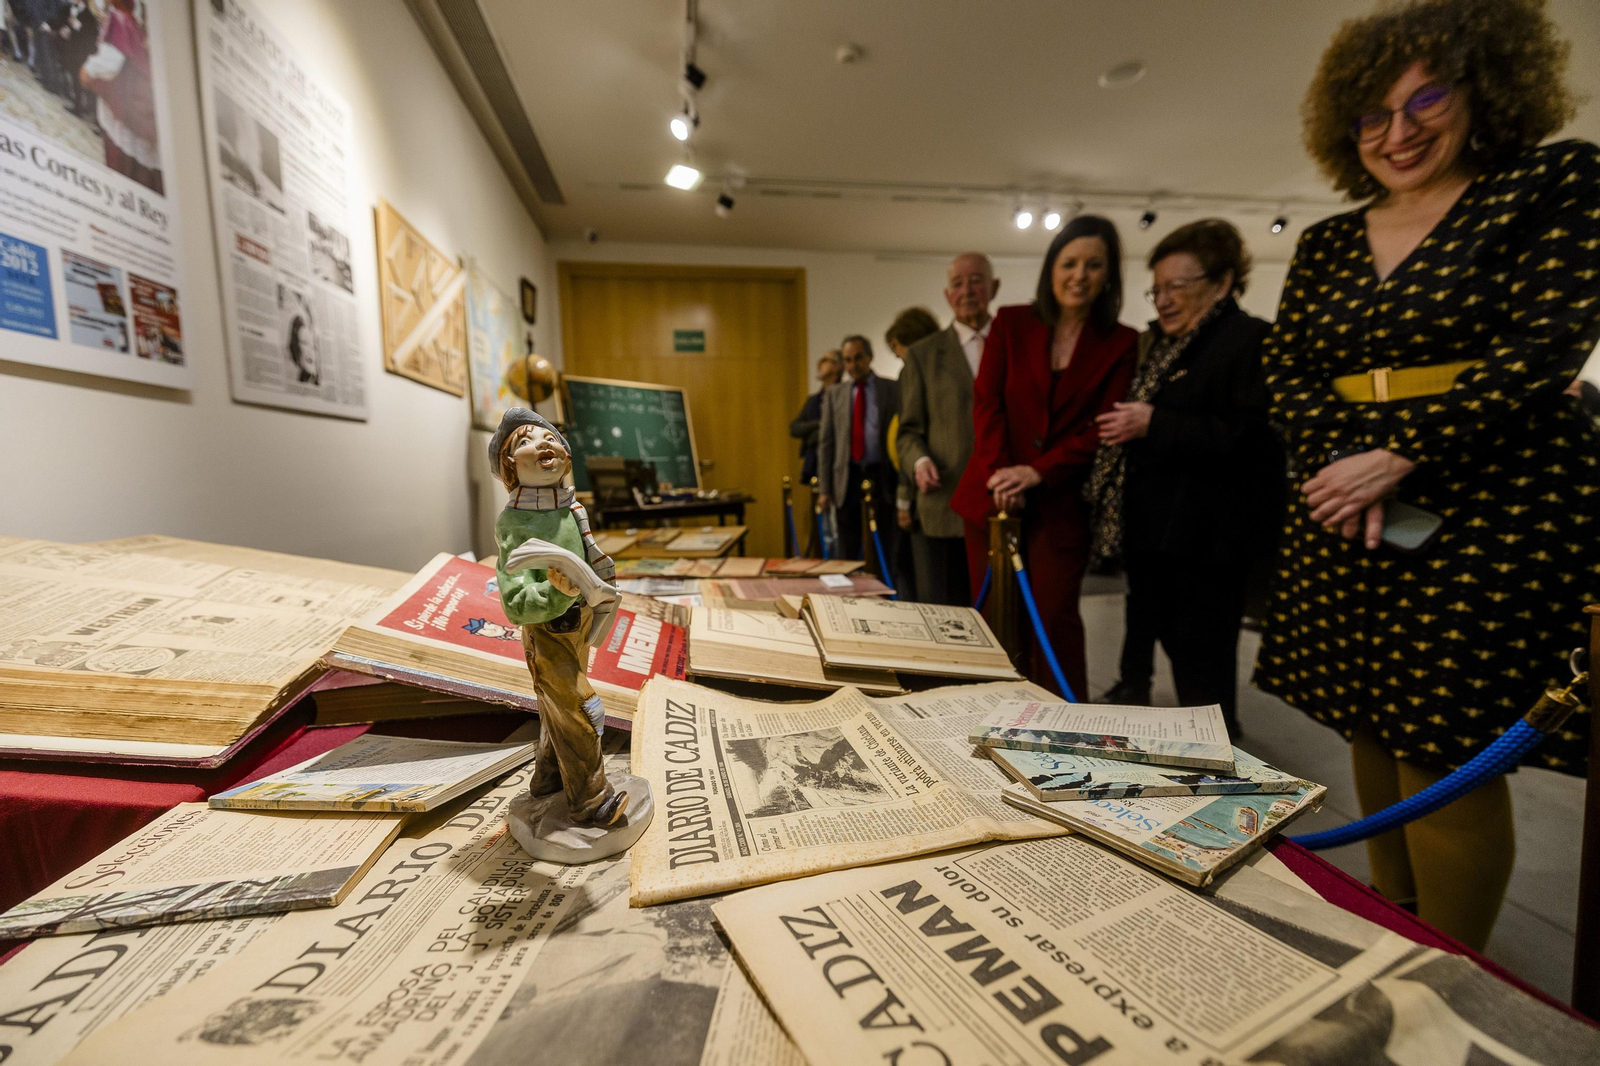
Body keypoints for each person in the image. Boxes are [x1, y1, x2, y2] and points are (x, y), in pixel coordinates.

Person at [1253, 0, 1600, 951]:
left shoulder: (1552, 182)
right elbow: (1287, 368)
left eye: (1426, 100)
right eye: (1374, 113)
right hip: (1346, 502)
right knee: (1367, 718)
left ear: (1486, 91)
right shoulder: (1328, 242)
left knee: (1441, 737)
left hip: (1491, 500)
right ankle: (1391, 921)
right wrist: (1344, 464)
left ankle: (1450, 969)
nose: (1398, 132)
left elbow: (1546, 344)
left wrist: (1398, 454)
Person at [1087, 220, 1279, 734]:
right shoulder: (1171, 345)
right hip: (1157, 534)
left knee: (1203, 661)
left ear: (1222, 282)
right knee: (1169, 640)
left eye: (1177, 286)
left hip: (1207, 542)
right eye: (1157, 289)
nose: (1164, 300)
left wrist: (1155, 423)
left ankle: (1217, 748)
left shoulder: (1248, 340)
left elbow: (1256, 438)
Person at [952, 217, 1137, 698]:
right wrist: (1001, 475)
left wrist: (1036, 471)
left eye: (1093, 265)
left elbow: (1103, 428)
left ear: (1109, 274)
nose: (1080, 275)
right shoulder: (1011, 322)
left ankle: (1063, 725)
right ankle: (988, 716)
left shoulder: (1122, 342)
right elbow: (987, 403)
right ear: (1051, 269)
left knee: (1054, 620)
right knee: (993, 620)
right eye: (1069, 263)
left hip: (1059, 502)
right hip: (992, 496)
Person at [896, 254, 1001, 607]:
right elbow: (908, 432)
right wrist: (920, 460)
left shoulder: (1015, 345)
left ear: (994, 287)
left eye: (976, 280)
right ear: (947, 295)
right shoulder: (923, 356)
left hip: (1004, 506)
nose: (967, 290)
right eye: (958, 283)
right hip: (944, 505)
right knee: (946, 614)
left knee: (1000, 613)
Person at [817, 335, 900, 568]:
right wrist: (825, 489)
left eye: (858, 358)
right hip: (848, 478)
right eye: (847, 360)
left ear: (870, 357)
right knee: (847, 548)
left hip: (881, 476)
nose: (853, 365)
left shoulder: (891, 389)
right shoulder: (835, 394)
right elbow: (826, 443)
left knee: (884, 544)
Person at [884, 306, 940, 599]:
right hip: (920, 484)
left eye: (897, 347)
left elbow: (910, 438)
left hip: (924, 490)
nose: (896, 355)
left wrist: (904, 502)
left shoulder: (915, 370)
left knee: (921, 579)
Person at [79, 0, 162, 195]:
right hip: (139, 106)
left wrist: (87, 70)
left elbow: (111, 62)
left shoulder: (119, 18)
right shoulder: (133, 22)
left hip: (127, 105)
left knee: (123, 170)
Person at [790, 349, 842, 486]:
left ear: (836, 367)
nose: (819, 364)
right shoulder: (813, 400)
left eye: (824, 360)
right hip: (814, 465)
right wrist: (820, 423)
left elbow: (838, 429)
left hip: (836, 465)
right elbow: (794, 428)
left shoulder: (843, 397)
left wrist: (814, 434)